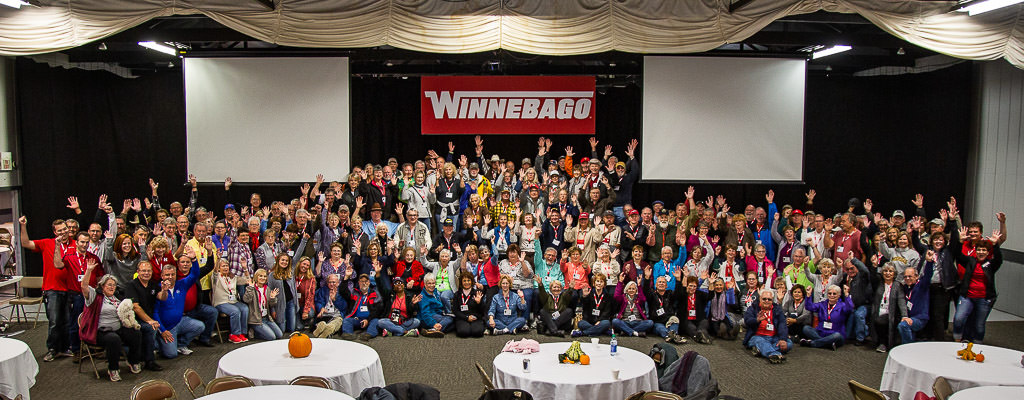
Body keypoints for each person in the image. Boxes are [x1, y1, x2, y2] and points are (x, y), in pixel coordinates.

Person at [20, 216, 75, 362]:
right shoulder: (46, 243)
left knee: (68, 320)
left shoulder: (75, 244)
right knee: (54, 321)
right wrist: (23, 226)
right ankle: (52, 349)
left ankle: (65, 347)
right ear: (54, 232)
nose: (63, 232)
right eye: (60, 230)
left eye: (65, 229)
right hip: (52, 289)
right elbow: (25, 243)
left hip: (70, 289)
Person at [78, 261, 143, 381]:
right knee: (113, 339)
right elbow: (84, 286)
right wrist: (89, 270)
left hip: (118, 328)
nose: (112, 287)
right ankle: (113, 369)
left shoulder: (117, 297)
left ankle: (133, 361)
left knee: (136, 333)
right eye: (109, 285)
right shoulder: (95, 297)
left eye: (114, 285)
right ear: (102, 286)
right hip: (99, 331)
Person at [950, 225, 1003, 343]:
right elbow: (958, 255)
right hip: (967, 297)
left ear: (988, 252)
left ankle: (978, 345)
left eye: (984, 250)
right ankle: (957, 340)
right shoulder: (970, 261)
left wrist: (995, 245)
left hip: (984, 299)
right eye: (979, 250)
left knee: (979, 325)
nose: (981, 252)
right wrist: (960, 241)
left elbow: (999, 259)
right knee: (958, 319)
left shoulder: (991, 264)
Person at [153, 249, 206, 358]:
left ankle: (181, 344)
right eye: (167, 275)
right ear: (162, 276)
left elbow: (195, 274)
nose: (170, 277)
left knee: (200, 326)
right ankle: (158, 342)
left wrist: (194, 259)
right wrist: (162, 330)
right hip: (166, 327)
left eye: (173, 274)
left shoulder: (182, 284)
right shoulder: (158, 288)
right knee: (171, 354)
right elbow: (155, 313)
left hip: (180, 321)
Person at [124, 261, 164, 371]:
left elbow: (162, 297)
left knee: (152, 329)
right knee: (151, 328)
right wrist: (150, 321)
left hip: (148, 318)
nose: (146, 273)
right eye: (143, 271)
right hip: (134, 320)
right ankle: (149, 361)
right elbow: (136, 307)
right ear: (138, 272)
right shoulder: (131, 285)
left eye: (148, 271)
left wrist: (164, 290)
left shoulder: (153, 284)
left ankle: (145, 356)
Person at [744, 288, 791, 364]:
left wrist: (782, 339)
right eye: (764, 299)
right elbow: (747, 321)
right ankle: (774, 354)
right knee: (759, 341)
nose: (767, 301)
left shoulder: (777, 310)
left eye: (769, 299)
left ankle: (761, 350)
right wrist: (757, 320)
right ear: (760, 299)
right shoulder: (753, 308)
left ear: (772, 300)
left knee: (788, 343)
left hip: (773, 337)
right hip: (757, 336)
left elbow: (782, 324)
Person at [801, 284, 855, 350]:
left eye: (834, 294)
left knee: (837, 336)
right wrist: (808, 296)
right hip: (821, 332)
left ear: (839, 295)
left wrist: (846, 295)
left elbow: (850, 308)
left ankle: (813, 343)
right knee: (806, 328)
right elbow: (809, 307)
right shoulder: (822, 304)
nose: (831, 295)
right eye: (829, 293)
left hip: (835, 334)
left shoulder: (842, 305)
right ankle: (827, 344)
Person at [869, 263, 906, 353]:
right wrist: (874, 266)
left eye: (890, 271)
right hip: (877, 310)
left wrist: (904, 315)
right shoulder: (879, 283)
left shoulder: (897, 285)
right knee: (876, 320)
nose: (888, 273)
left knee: (880, 321)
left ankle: (883, 343)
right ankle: (879, 342)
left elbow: (901, 300)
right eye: (885, 271)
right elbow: (872, 276)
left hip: (890, 313)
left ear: (894, 273)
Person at [211, 259, 249, 343]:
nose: (225, 268)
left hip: (233, 301)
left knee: (245, 308)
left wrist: (245, 268)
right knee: (235, 311)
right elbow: (214, 273)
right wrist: (217, 261)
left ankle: (242, 333)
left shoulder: (233, 277)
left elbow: (247, 280)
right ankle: (234, 334)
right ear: (219, 268)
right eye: (223, 266)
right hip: (221, 302)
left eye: (226, 266)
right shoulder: (216, 278)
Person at [339, 269, 381, 341]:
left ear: (369, 282)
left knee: (376, 321)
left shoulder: (374, 294)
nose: (364, 283)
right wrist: (346, 277)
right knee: (346, 320)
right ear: (358, 282)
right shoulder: (354, 292)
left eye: (366, 281)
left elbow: (377, 311)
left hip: (370, 319)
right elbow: (343, 292)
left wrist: (367, 320)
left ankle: (368, 334)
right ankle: (348, 335)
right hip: (357, 319)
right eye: (362, 281)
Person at [242, 268, 283, 340]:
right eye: (260, 276)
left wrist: (273, 298)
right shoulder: (252, 288)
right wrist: (250, 288)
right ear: (256, 277)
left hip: (266, 318)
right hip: (256, 320)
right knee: (272, 337)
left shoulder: (267, 289)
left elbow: (271, 304)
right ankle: (253, 332)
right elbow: (246, 300)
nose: (263, 278)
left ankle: (263, 330)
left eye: (264, 276)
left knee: (279, 335)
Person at [898, 259, 932, 345]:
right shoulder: (905, 288)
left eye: (910, 276)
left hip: (920, 319)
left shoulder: (922, 286)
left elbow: (928, 275)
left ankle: (906, 348)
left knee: (903, 325)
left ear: (916, 277)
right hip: (909, 318)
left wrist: (929, 262)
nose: (907, 278)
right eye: (905, 277)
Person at [573, 272, 614, 337]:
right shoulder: (589, 294)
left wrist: (599, 321)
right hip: (589, 321)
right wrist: (584, 296)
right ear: (594, 283)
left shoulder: (607, 296)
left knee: (606, 323)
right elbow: (584, 306)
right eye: (597, 281)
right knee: (580, 323)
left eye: (601, 281)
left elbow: (607, 312)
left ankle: (582, 333)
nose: (599, 283)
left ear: (604, 284)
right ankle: (602, 331)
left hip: (601, 322)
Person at [311, 273, 350, 338]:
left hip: (336, 315)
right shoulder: (322, 290)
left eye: (334, 282)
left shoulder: (342, 291)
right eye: (330, 282)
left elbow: (344, 307)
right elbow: (318, 302)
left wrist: (335, 299)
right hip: (325, 315)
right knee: (322, 322)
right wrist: (321, 308)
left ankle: (324, 329)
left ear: (338, 282)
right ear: (327, 282)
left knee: (337, 322)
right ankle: (323, 328)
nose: (332, 284)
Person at [452, 271, 487, 338]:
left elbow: (483, 311)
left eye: (468, 280)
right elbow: (455, 310)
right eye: (464, 281)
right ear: (461, 282)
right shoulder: (457, 294)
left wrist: (479, 303)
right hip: (462, 318)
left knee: (477, 333)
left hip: (476, 318)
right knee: (463, 333)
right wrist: (466, 318)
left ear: (472, 281)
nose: (466, 282)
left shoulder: (477, 293)